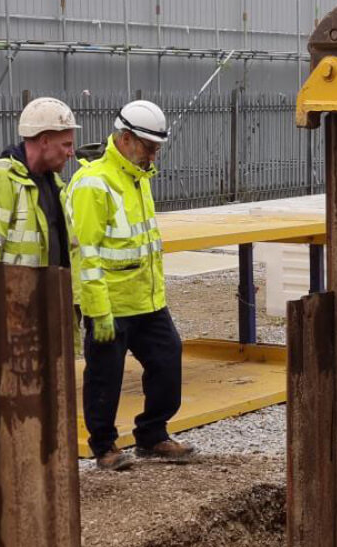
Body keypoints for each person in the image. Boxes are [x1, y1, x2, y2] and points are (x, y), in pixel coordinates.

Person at [67, 100, 195, 471]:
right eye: (149, 147)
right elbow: (86, 254)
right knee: (105, 375)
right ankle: (104, 446)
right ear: (126, 139)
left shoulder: (137, 177)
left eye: (157, 147)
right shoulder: (94, 183)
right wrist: (97, 310)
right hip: (110, 303)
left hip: (146, 299)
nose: (154, 155)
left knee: (167, 359)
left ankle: (152, 435)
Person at [0, 97, 82, 402]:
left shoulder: (53, 184)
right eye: (65, 144)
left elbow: (68, 251)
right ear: (43, 140)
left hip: (39, 317)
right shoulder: (0, 178)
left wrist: (76, 303)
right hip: (5, 324)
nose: (71, 152)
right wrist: (8, 314)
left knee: (34, 408)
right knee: (1, 416)